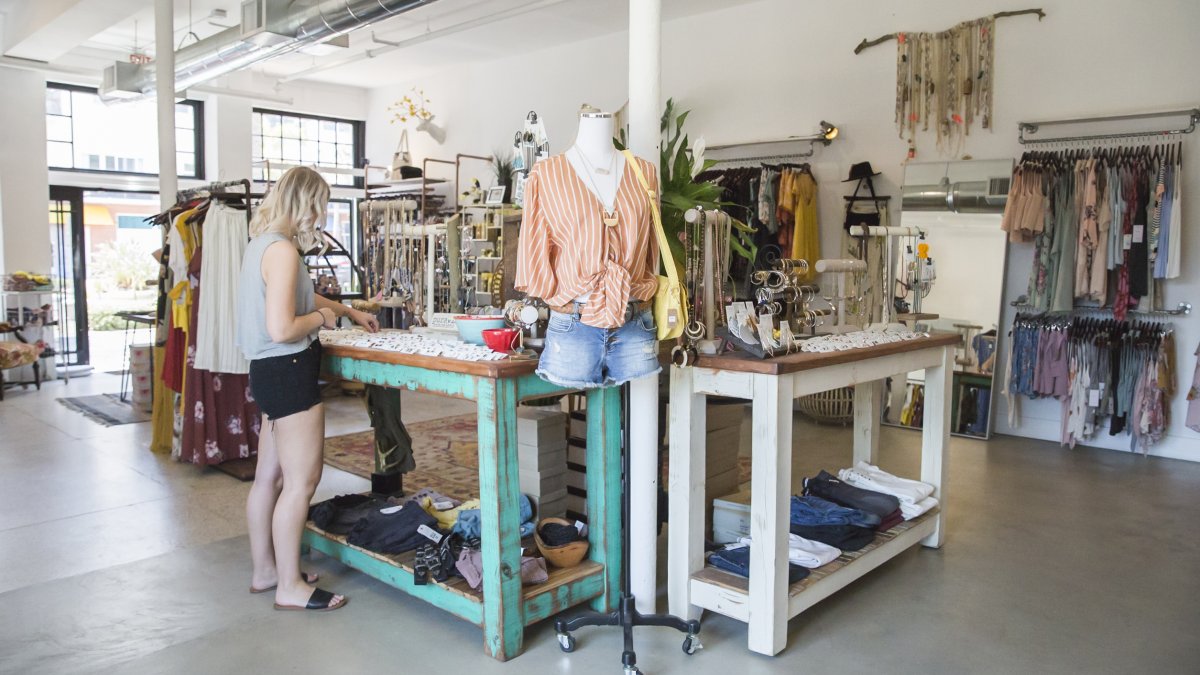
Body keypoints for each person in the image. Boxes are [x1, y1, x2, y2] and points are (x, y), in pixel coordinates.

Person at [237, 167, 379, 611]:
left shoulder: (263, 244)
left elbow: (301, 295)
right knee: (301, 483)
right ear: (307, 202)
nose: (321, 213)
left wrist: (347, 310)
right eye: (320, 202)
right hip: (289, 366)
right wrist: (322, 321)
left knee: (269, 478)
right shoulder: (283, 251)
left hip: (266, 371)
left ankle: (266, 572)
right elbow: (284, 326)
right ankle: (289, 587)